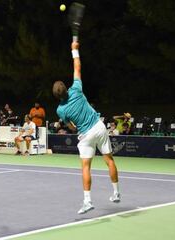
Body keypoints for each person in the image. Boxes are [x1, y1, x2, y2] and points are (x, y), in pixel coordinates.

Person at [52, 40, 120, 214]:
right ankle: (116, 192)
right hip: (100, 126)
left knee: (85, 167)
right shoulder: (76, 88)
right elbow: (77, 67)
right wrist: (74, 50)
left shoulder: (61, 110)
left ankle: (88, 201)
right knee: (109, 160)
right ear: (66, 89)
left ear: (56, 96)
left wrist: (73, 126)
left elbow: (71, 127)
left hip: (86, 135)